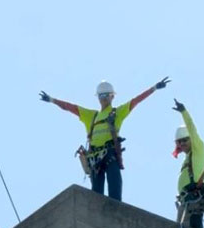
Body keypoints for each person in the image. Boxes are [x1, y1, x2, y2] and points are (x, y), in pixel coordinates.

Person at [39, 77, 170, 201]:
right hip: (95, 158)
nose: (103, 98)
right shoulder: (91, 116)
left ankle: (116, 212)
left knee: (115, 191)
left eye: (106, 95)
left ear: (112, 96)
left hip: (110, 154)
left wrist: (154, 88)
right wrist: (52, 100)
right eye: (101, 96)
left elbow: (136, 101)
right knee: (96, 195)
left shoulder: (117, 112)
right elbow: (70, 107)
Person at [172, 98, 204, 228]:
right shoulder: (188, 157)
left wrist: (183, 112)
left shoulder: (198, 149)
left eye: (184, 140)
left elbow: (192, 129)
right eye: (179, 142)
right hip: (185, 200)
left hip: (193, 200)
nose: (181, 144)